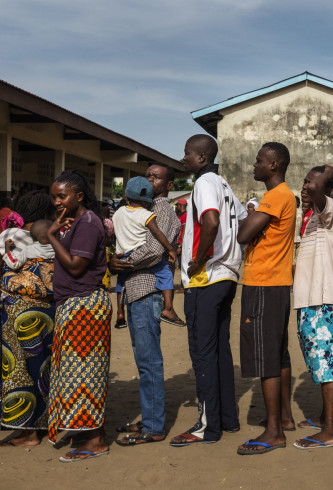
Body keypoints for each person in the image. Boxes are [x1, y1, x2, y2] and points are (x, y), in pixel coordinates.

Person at [169, 134, 246, 446]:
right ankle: (226, 418)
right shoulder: (224, 184)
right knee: (219, 351)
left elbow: (211, 222)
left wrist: (198, 260)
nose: (184, 158)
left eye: (187, 153)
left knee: (202, 353)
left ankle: (206, 426)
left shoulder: (204, 183)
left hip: (206, 277)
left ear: (201, 157)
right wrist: (231, 253)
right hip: (226, 276)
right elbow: (244, 219)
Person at [110, 163, 181, 446]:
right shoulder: (139, 210)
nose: (150, 180)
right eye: (148, 175)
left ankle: (154, 427)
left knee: (149, 361)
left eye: (156, 177)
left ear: (168, 185)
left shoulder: (161, 211)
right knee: (144, 359)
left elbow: (154, 250)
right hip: (135, 288)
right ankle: (151, 417)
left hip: (145, 288)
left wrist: (121, 263)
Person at [46, 169, 112, 462]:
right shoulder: (78, 222)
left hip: (84, 307)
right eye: (54, 197)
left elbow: (75, 266)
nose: (57, 202)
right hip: (75, 306)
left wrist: (51, 235)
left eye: (62, 196)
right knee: (74, 375)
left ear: (79, 196)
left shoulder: (87, 223)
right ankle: (85, 430)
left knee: (85, 376)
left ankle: (96, 439)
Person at [236, 142, 296, 454]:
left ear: (273, 165)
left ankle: (273, 432)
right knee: (277, 352)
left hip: (263, 282)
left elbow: (242, 235)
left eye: (259, 161)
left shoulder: (276, 196)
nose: (254, 165)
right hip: (277, 282)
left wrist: (249, 219)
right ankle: (283, 418)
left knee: (265, 356)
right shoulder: (281, 197)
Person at [292, 165, 333, 449]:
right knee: (317, 359)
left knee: (327, 363)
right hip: (306, 299)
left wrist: (325, 174)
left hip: (321, 299)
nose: (305, 186)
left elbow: (316, 191)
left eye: (310, 181)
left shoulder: (332, 210)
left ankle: (331, 430)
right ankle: (326, 418)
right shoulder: (309, 218)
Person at [0, 191, 56, 447]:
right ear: (46, 213)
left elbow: (8, 265)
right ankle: (44, 423)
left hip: (15, 314)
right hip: (47, 313)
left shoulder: (12, 236)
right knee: (43, 367)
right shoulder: (54, 240)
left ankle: (27, 432)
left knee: (17, 371)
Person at [112, 177, 184, 327]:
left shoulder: (117, 213)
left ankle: (120, 312)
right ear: (147, 200)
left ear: (126, 195)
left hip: (121, 254)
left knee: (120, 282)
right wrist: (170, 249)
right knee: (164, 271)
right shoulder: (146, 214)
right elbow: (157, 233)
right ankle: (169, 308)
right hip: (139, 252)